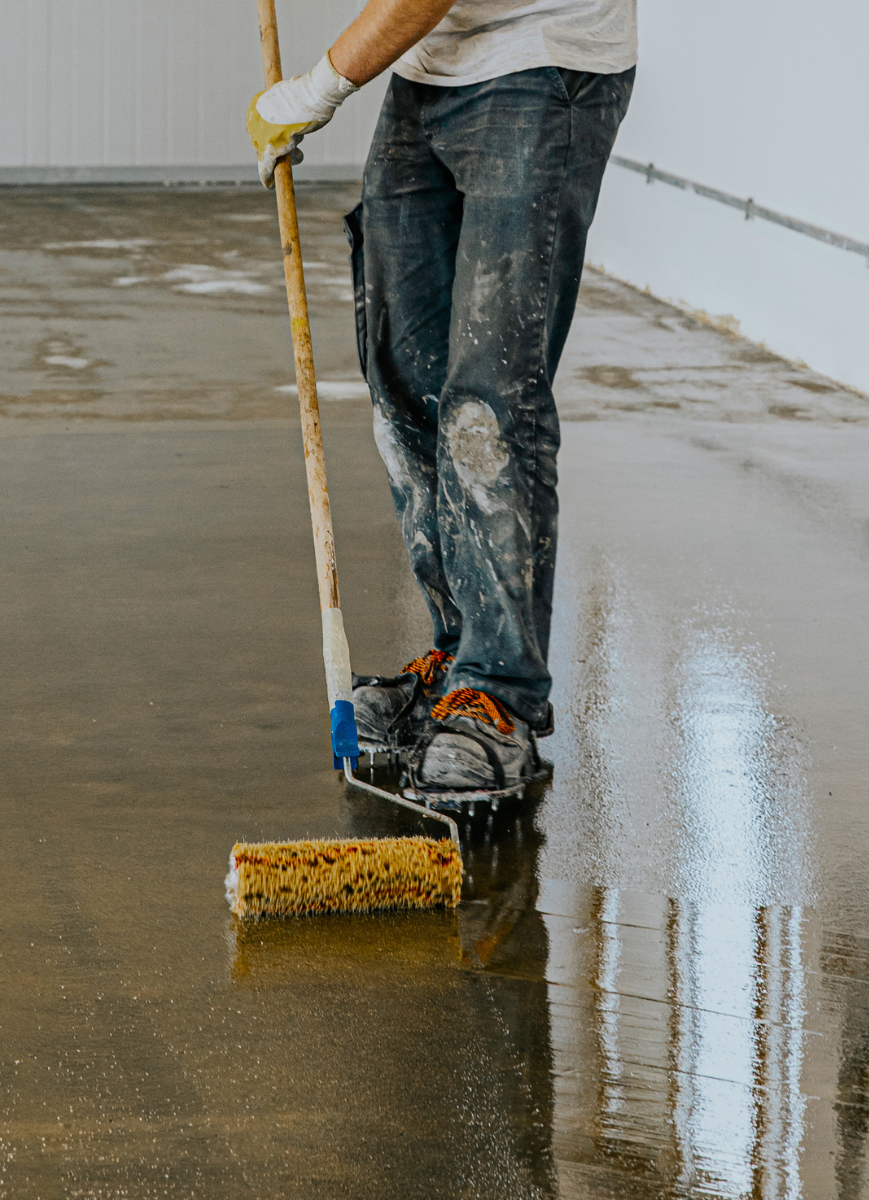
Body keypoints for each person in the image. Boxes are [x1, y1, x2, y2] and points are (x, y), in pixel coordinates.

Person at [248, 0, 636, 797]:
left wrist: (317, 89)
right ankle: (460, 655)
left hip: (542, 65)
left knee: (487, 407)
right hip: (430, 65)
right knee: (406, 379)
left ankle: (499, 697)